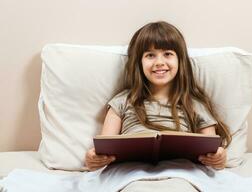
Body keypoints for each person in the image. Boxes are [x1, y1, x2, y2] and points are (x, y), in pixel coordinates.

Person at [85, 21, 232, 171]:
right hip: (130, 172)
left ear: (180, 60)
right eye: (150, 55)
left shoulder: (194, 104)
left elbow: (211, 150)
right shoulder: (121, 102)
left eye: (167, 54)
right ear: (139, 63)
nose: (159, 62)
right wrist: (94, 159)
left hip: (179, 172)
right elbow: (104, 149)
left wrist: (218, 158)